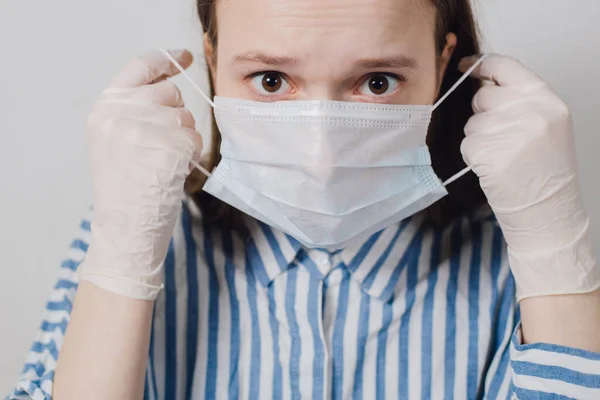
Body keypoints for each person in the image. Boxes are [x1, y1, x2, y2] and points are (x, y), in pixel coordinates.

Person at [8, 0, 600, 398]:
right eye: (271, 80)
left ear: (441, 64)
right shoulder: (135, 241)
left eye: (376, 82)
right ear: (212, 64)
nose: (322, 152)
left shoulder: (514, 266)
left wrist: (555, 252)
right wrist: (122, 260)